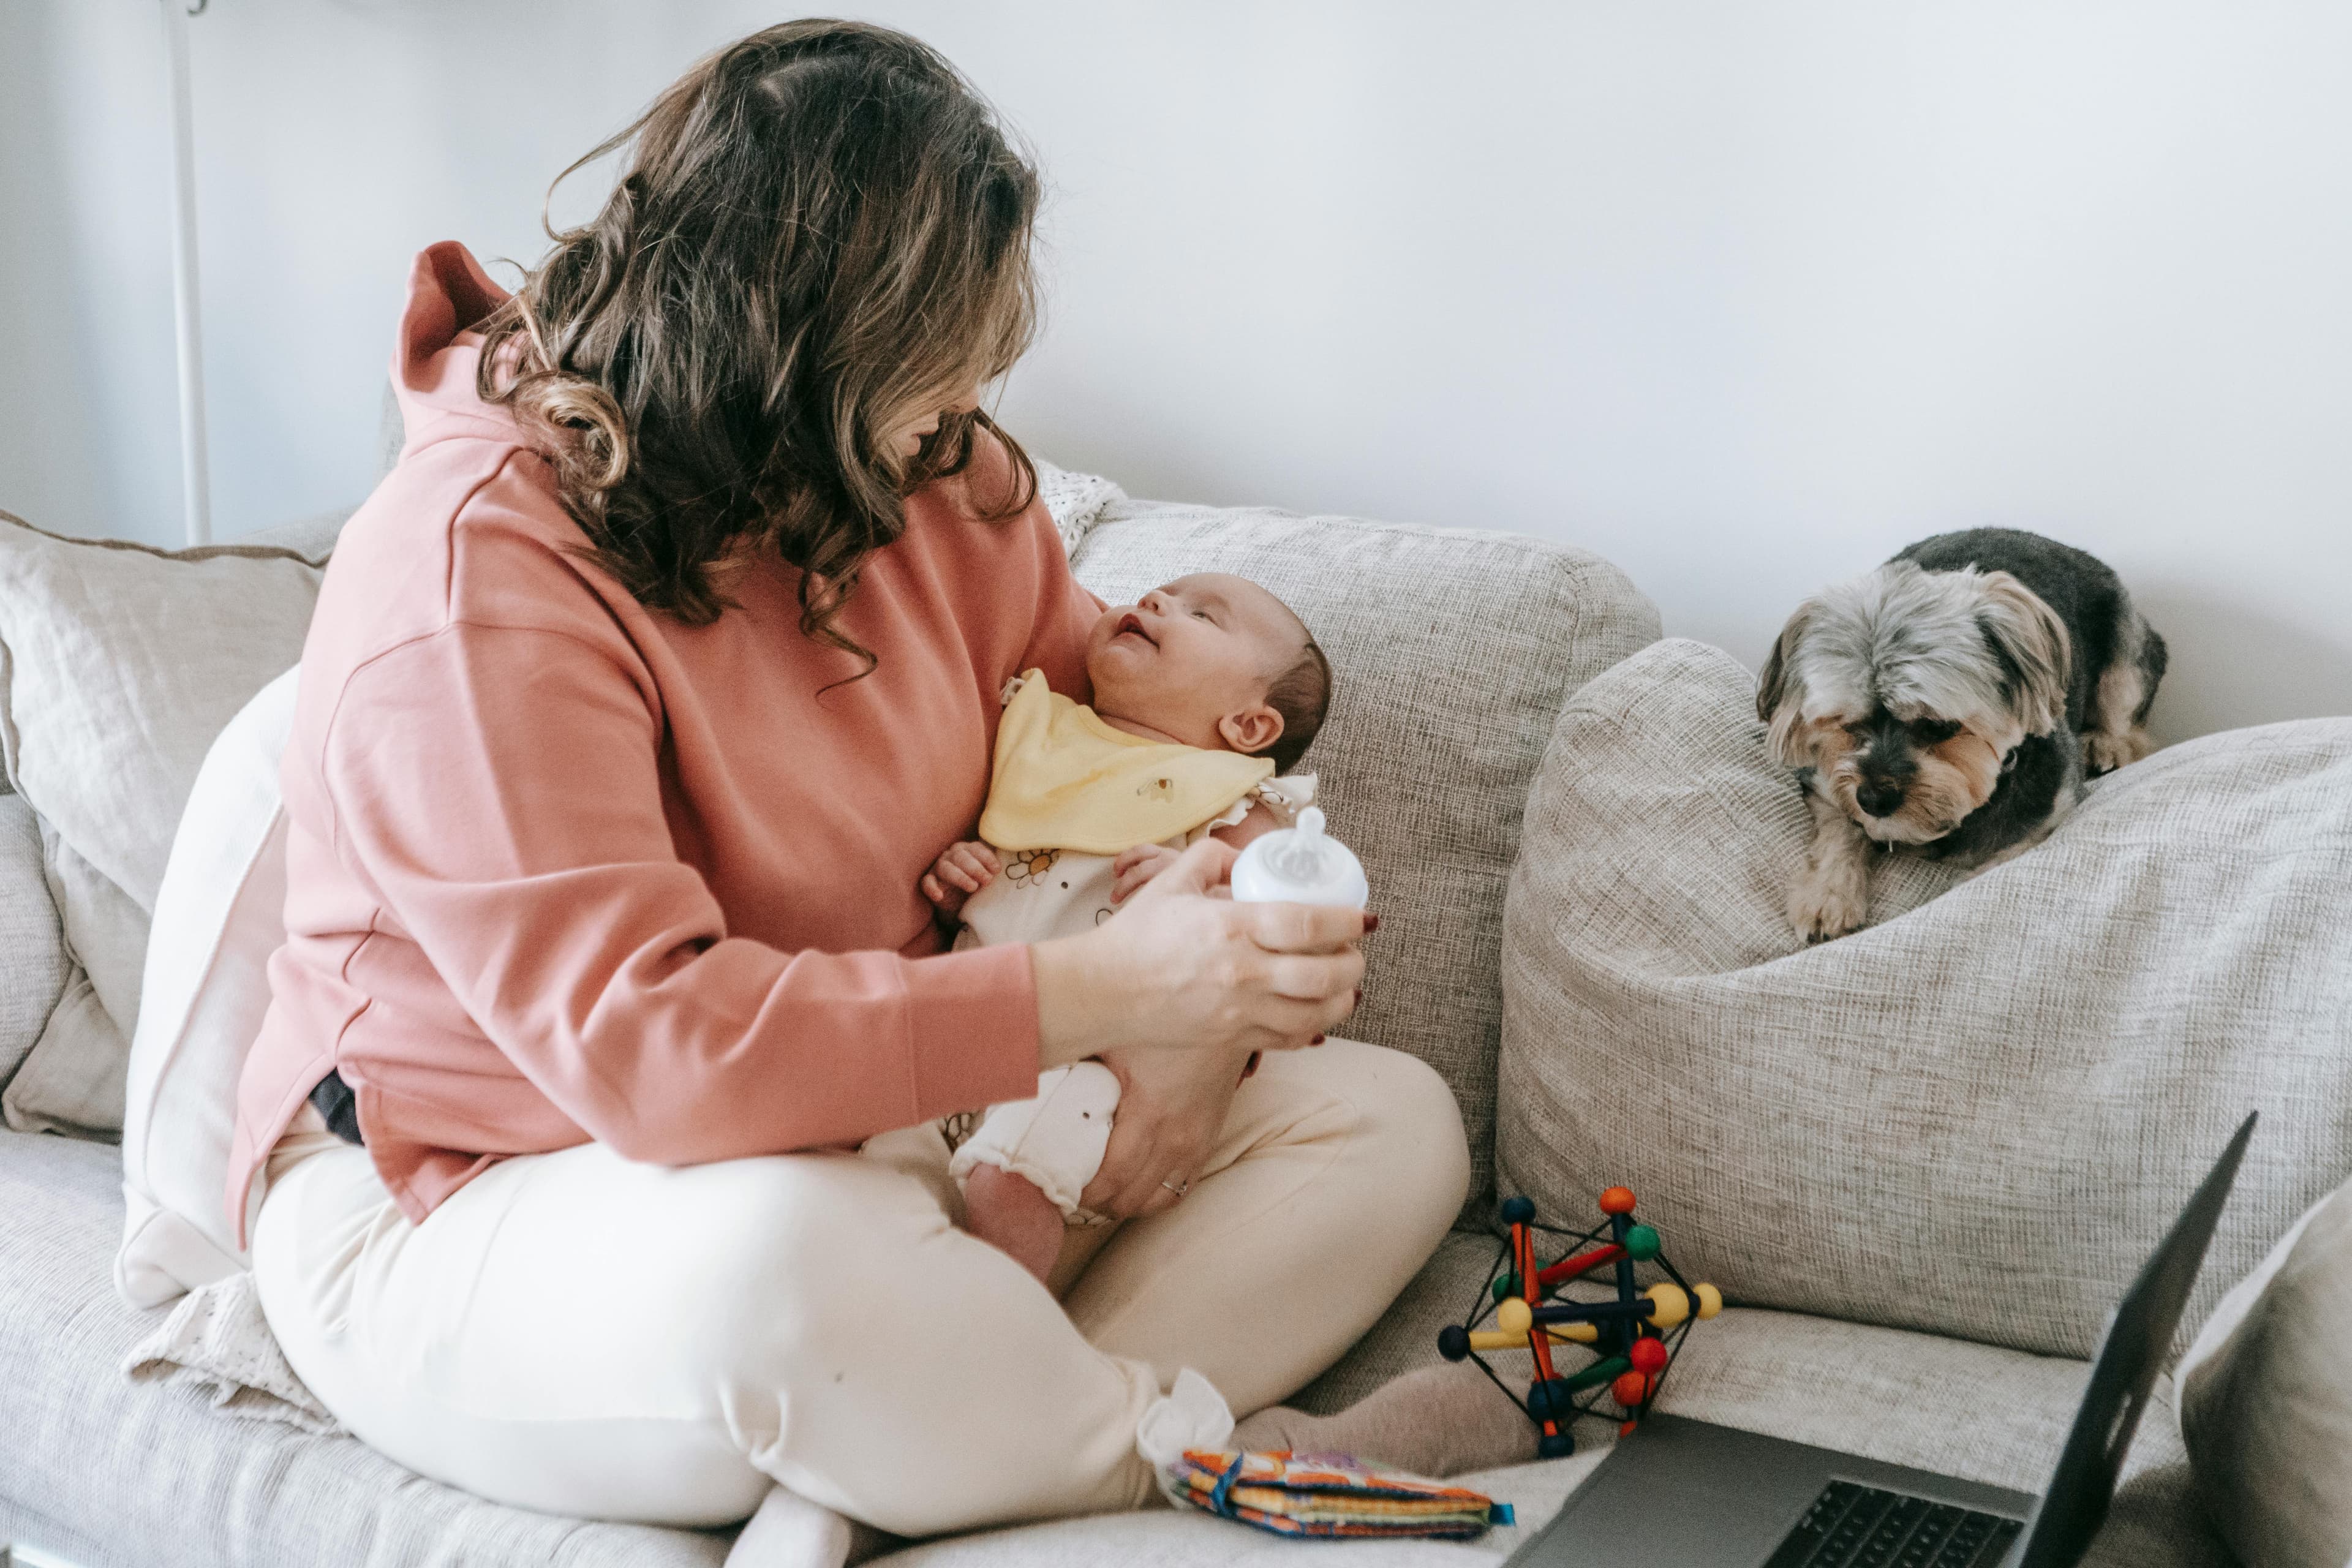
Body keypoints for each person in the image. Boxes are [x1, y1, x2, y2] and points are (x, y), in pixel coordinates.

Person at [228, 20, 1469, 1539]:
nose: (963, 423)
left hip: (890, 1128)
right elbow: (657, 1059)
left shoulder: (940, 480)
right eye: (931, 376)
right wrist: (1113, 999)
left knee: (1389, 1120)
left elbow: (1123, 746)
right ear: (796, 351)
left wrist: (1200, 1026)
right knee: (795, 1262)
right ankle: (1153, 1450)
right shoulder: (472, 573)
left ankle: (913, 1442)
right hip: (495, 1177)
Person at [925, 571, 1333, 1282]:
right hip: (961, 1030)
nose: (1155, 602)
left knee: (1008, 1177)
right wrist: (959, 877)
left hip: (1089, 1072)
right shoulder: (1040, 735)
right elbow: (1012, 880)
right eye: (1159, 592)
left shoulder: (1235, 806)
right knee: (880, 1157)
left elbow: (1262, 926)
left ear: (1248, 725)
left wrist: (1205, 899)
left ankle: (997, 1308)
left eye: (1202, 614)